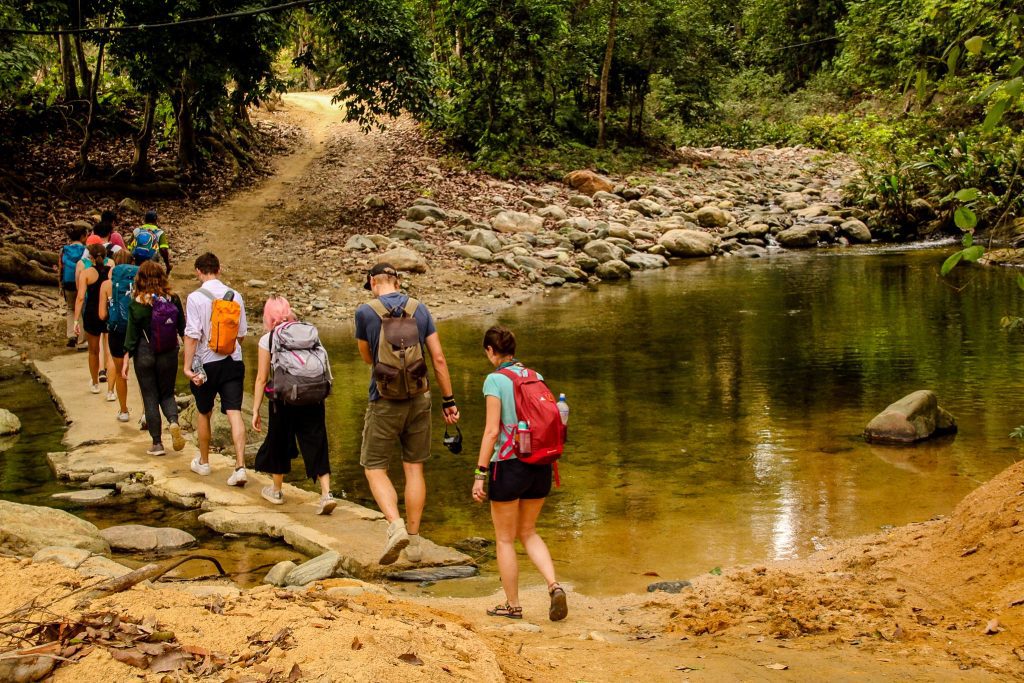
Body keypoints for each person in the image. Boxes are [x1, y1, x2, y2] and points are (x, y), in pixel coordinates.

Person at [354, 262, 460, 565]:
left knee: (374, 467)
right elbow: (438, 359)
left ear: (374, 282)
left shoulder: (366, 312)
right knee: (414, 468)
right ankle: (413, 542)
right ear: (396, 281)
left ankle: (395, 525)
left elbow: (366, 358)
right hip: (419, 397)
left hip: (384, 400)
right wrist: (448, 401)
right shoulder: (420, 309)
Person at [472, 325, 567, 622]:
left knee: (504, 539)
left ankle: (512, 605)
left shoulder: (494, 380)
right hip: (540, 465)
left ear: (491, 351)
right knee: (528, 532)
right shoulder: (535, 376)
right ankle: (554, 585)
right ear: (513, 349)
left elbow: (491, 431)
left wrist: (479, 473)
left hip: (509, 465)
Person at [252, 296, 336, 515]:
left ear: (268, 316)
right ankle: (326, 494)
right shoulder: (307, 331)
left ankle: (276, 491)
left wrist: (255, 410)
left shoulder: (268, 339)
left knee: (278, 440)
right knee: (316, 440)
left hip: (283, 399)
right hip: (313, 395)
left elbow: (261, 378)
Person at [183, 252, 248, 486]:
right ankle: (240, 466)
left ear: (198, 272)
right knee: (234, 412)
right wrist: (228, 349)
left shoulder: (195, 298)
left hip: (206, 363)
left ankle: (204, 462)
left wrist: (187, 367)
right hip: (232, 361)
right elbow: (241, 334)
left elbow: (191, 335)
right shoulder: (235, 296)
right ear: (219, 270)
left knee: (204, 411)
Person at [121, 261, 186, 455]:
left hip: (144, 354)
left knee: (150, 396)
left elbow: (131, 336)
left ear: (140, 279)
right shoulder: (173, 299)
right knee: (167, 393)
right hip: (168, 352)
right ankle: (173, 421)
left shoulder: (136, 303)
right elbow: (183, 328)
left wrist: (125, 359)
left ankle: (157, 444)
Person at [98, 249, 137, 421]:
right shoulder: (139, 281)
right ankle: (145, 413)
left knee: (121, 372)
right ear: (132, 263)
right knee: (144, 374)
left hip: (117, 332)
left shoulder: (107, 285)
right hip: (137, 331)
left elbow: (102, 315)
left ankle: (123, 410)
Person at [73, 240, 112, 394]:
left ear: (91, 258)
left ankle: (95, 383)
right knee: (109, 350)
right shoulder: (111, 271)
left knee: (93, 351)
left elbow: (81, 297)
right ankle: (111, 388)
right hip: (108, 312)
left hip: (92, 313)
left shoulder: (86, 274)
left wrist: (76, 320)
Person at [58, 223, 88, 348]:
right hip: (82, 282)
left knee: (70, 309)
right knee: (81, 310)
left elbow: (60, 268)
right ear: (82, 237)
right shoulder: (85, 250)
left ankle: (71, 335)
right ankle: (81, 341)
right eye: (86, 235)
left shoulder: (64, 250)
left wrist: (60, 285)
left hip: (68, 283)